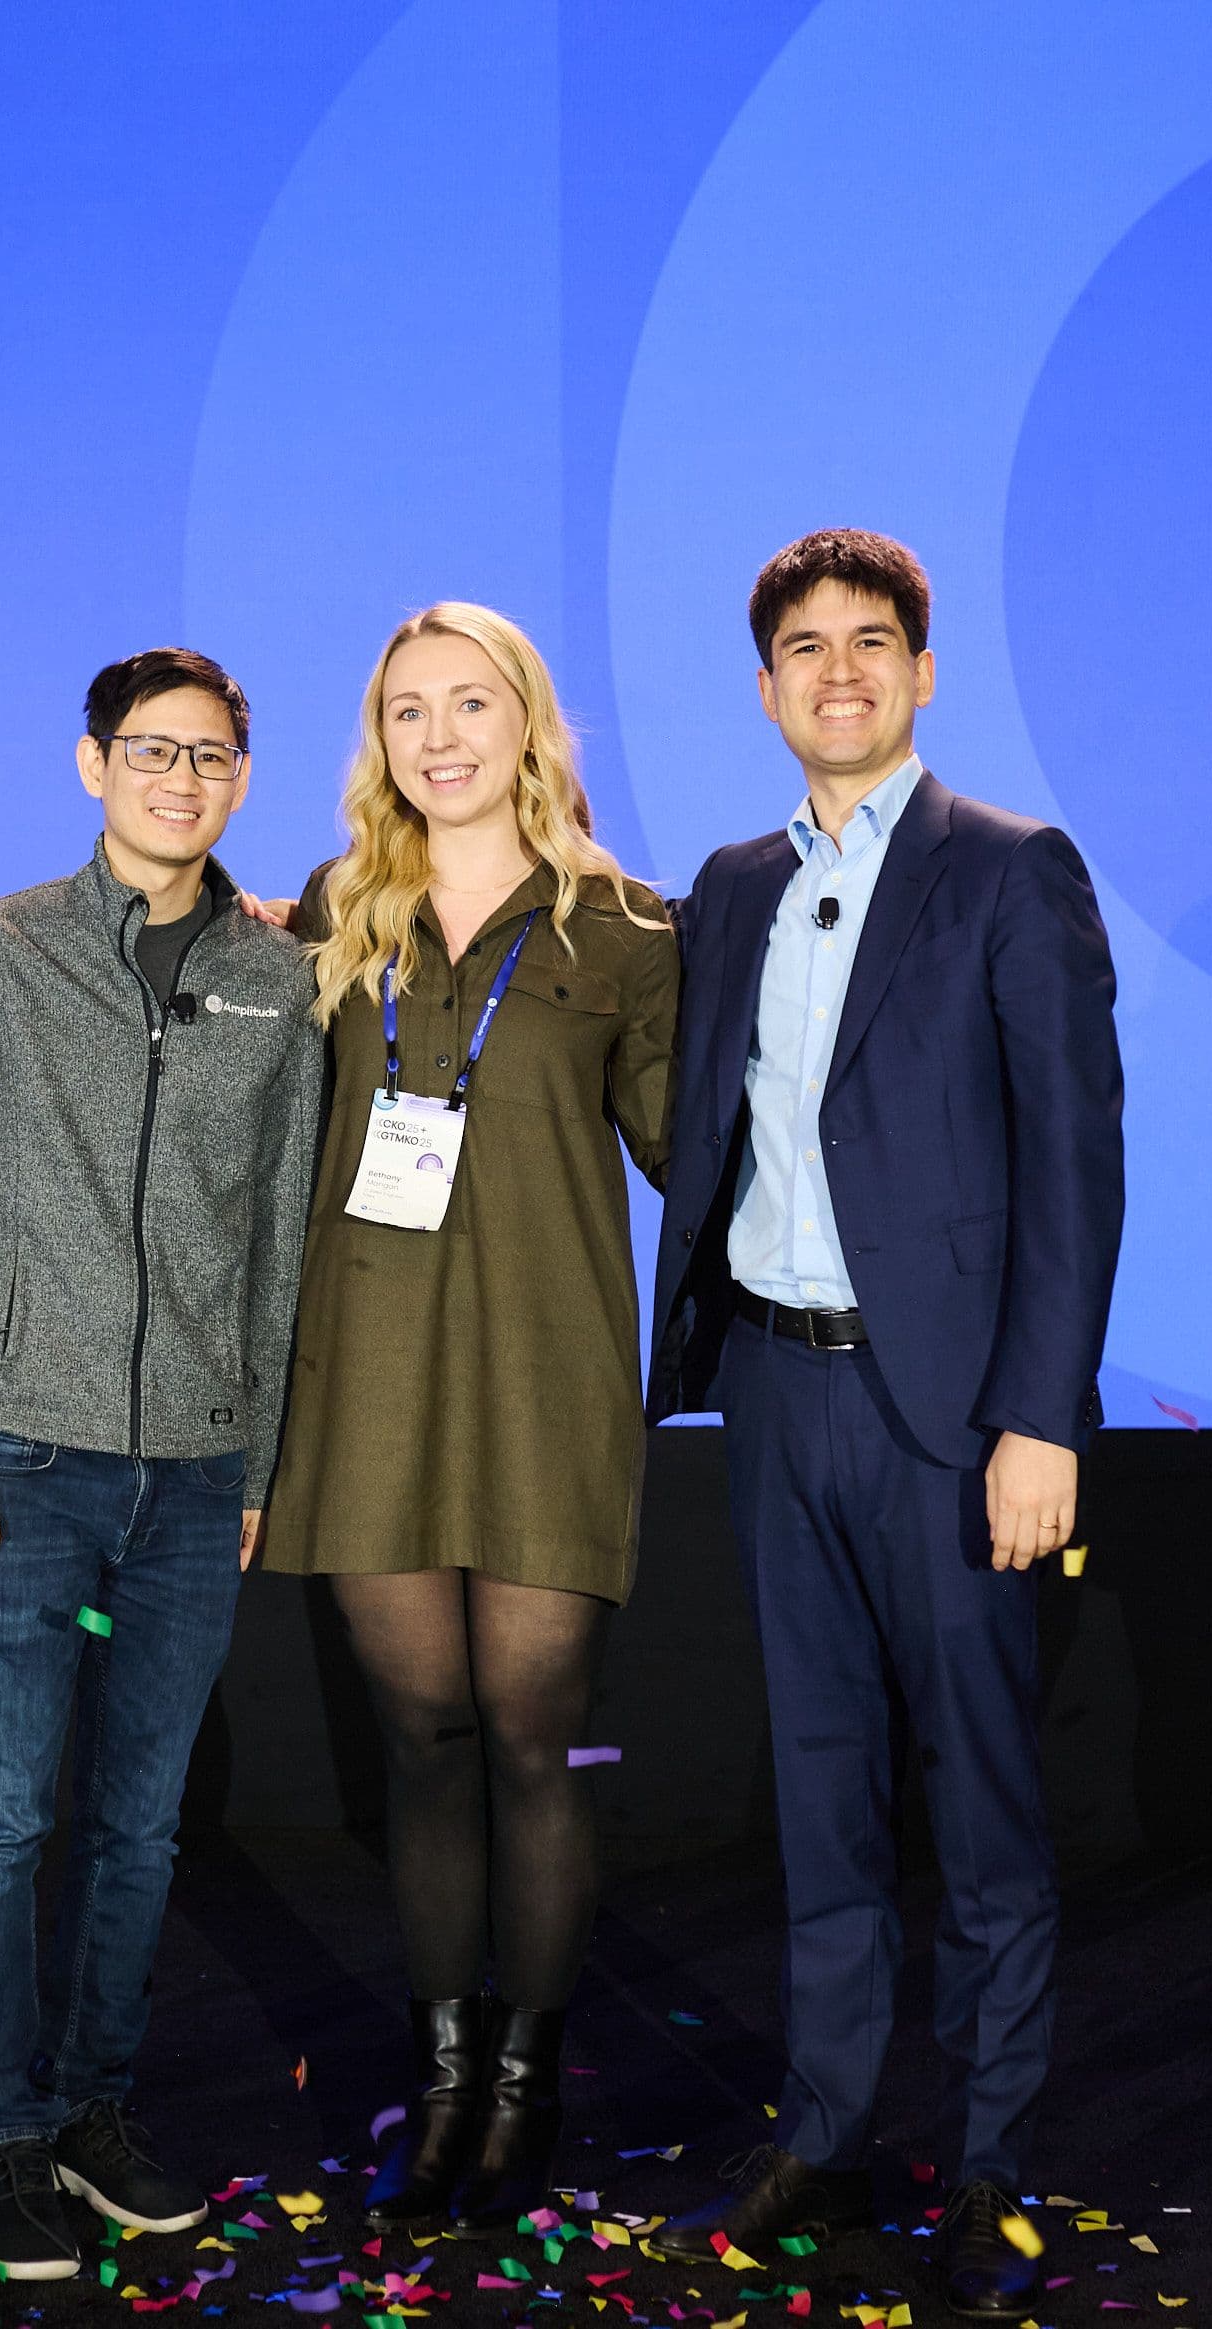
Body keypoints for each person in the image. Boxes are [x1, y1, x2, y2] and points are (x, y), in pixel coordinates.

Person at [640, 531, 1123, 2324]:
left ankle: (990, 2154)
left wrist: (1040, 1416)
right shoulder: (730, 884)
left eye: (870, 644)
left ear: (920, 673)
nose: (836, 673)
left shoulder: (1010, 872)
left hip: (953, 1420)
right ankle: (826, 2128)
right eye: (802, 649)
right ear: (765, 688)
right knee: (822, 1798)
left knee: (980, 1802)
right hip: (776, 1389)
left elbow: (1075, 1166)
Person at [0, 648, 327, 2280]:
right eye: (151, 751)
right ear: (92, 766)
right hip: (23, 1448)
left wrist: (266, 1462)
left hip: (200, 1467)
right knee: (2, 1815)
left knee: (140, 1825)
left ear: (240, 776)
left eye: (213, 756)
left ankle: (93, 2106)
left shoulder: (280, 977)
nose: (181, 779)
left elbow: (278, 1241)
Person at [255, 604, 677, 2229]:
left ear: (529, 722)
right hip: (367, 1382)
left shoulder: (628, 926)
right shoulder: (331, 918)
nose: (440, 736)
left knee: (528, 1737)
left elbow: (685, 1148)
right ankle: (443, 2074)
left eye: (470, 703)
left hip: (549, 1380)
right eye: (406, 710)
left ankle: (528, 2083)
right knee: (421, 1745)